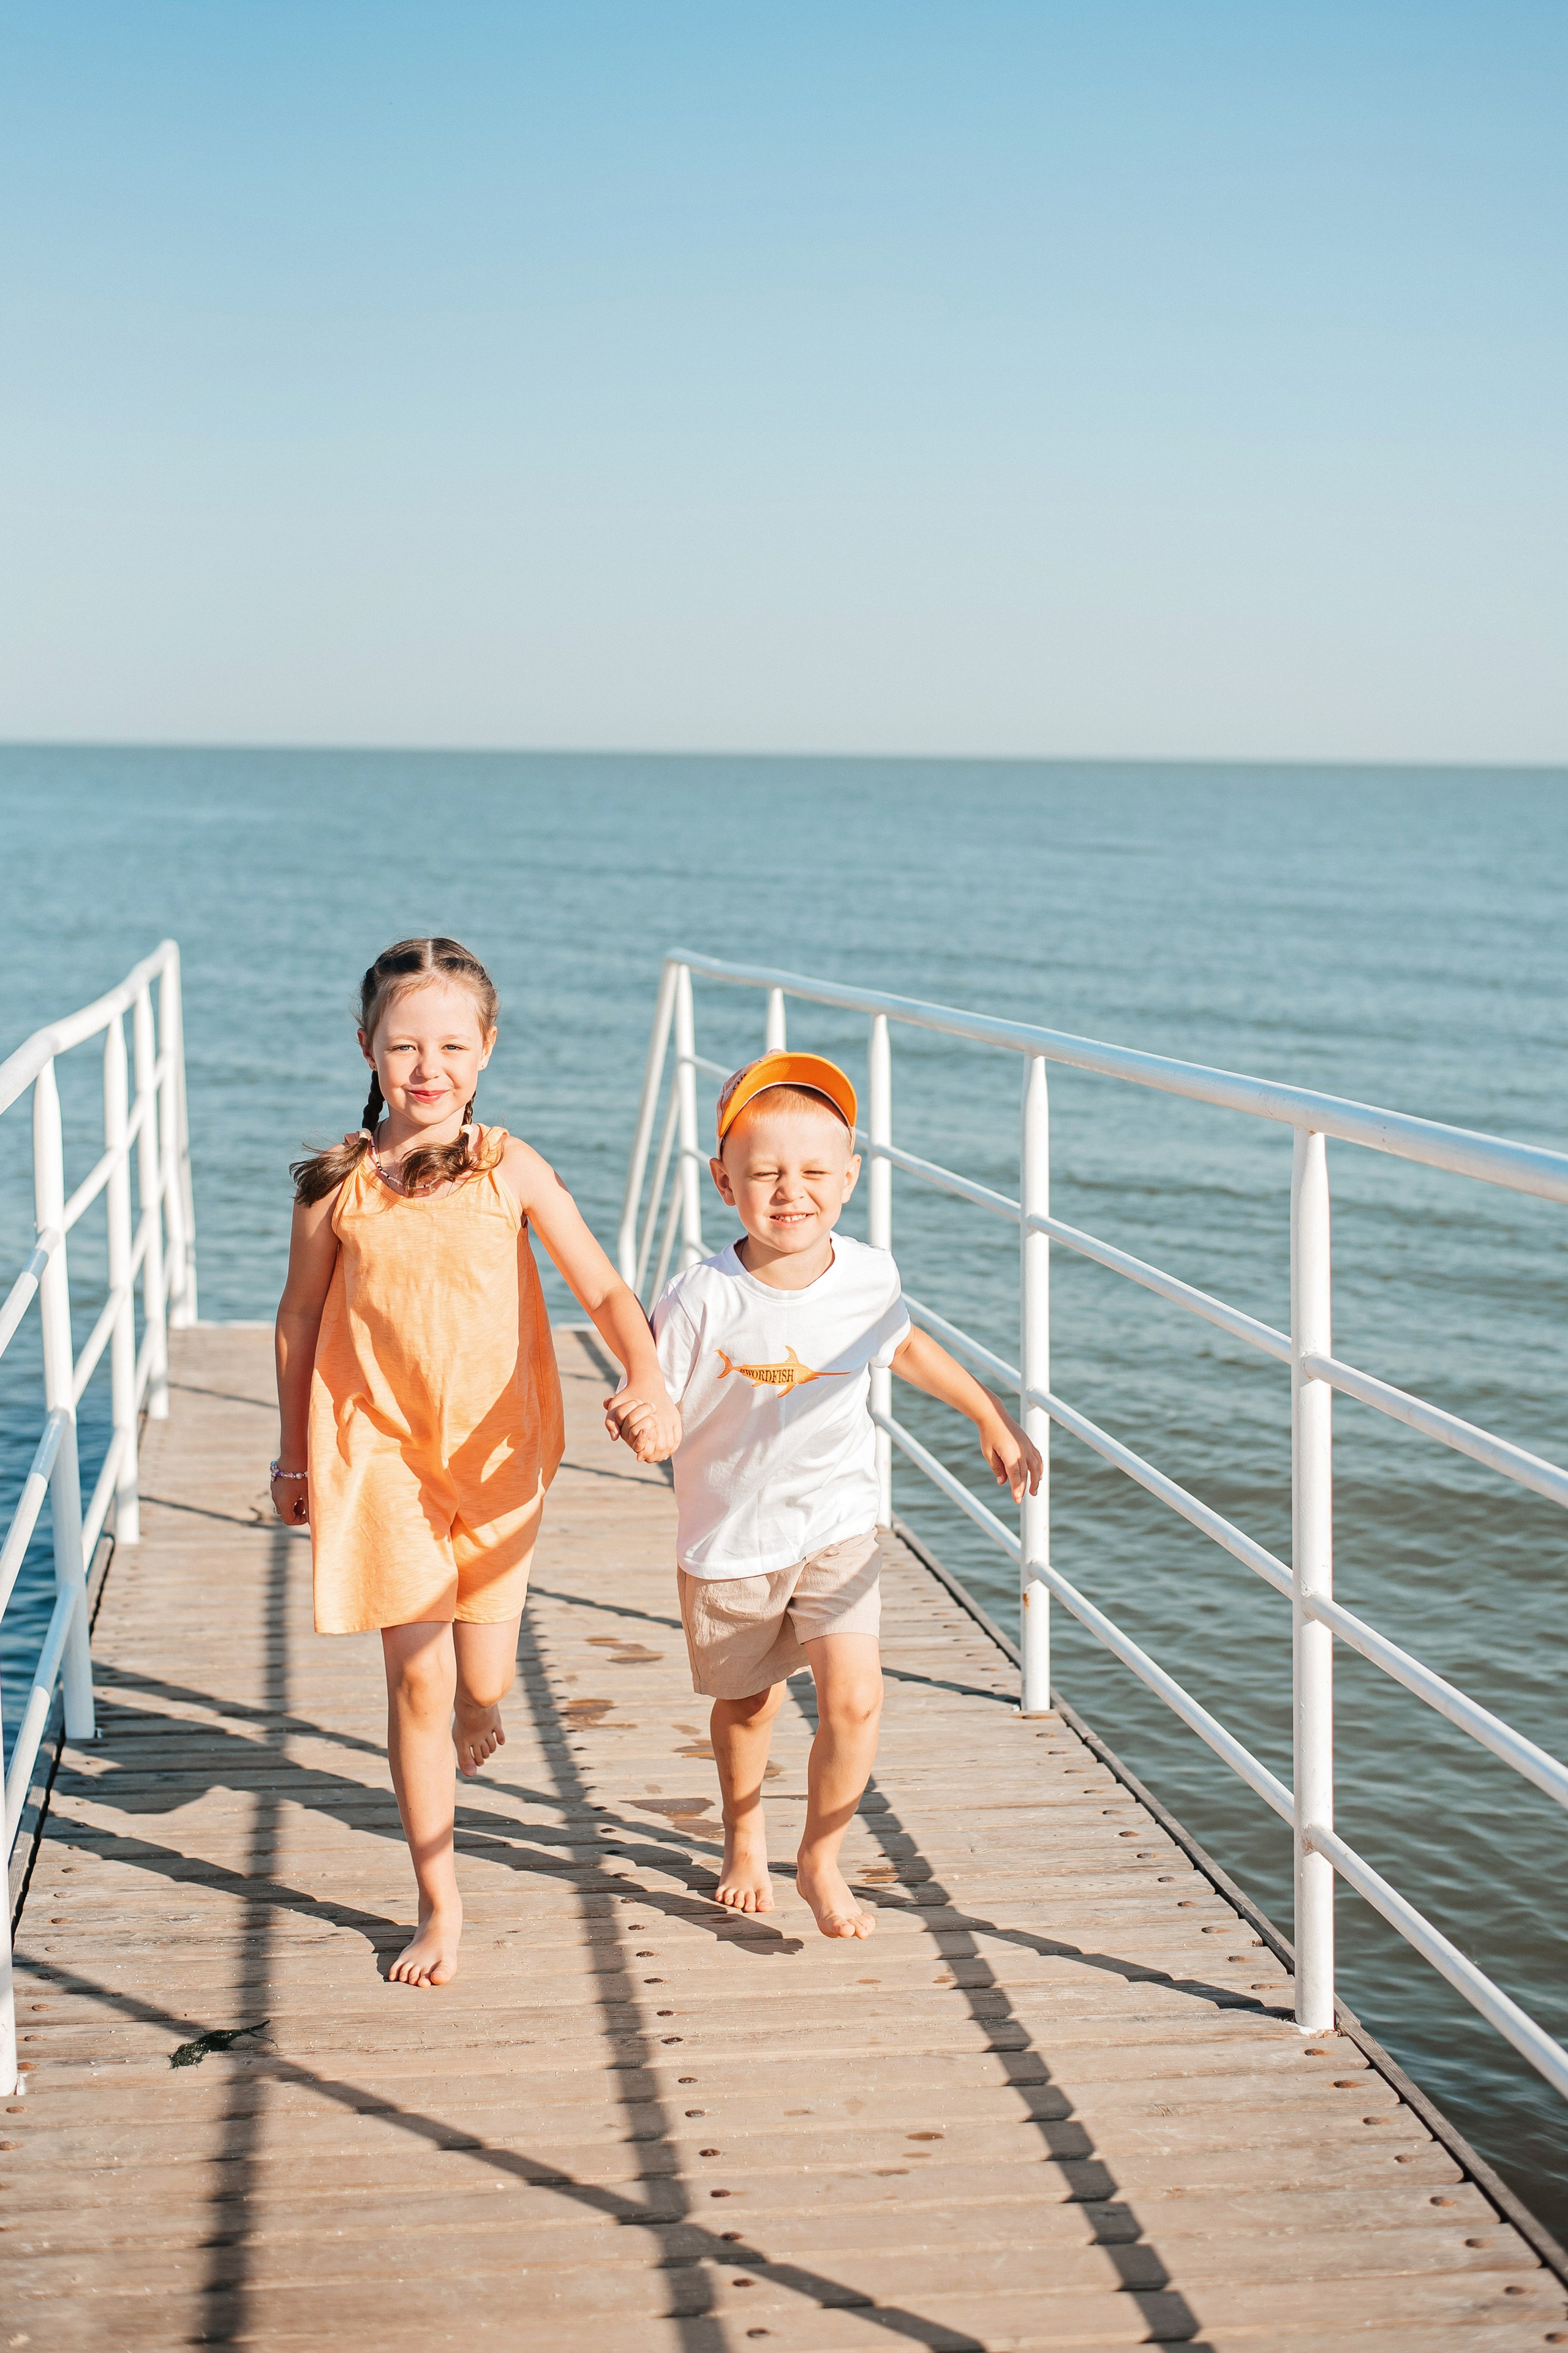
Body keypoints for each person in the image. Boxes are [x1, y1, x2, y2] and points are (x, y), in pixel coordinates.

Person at [272, 936, 680, 1989]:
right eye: (404, 1044)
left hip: (499, 1458)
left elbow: (600, 1287)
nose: (427, 1067)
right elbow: (300, 1321)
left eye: (452, 1043)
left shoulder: (511, 1166)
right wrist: (292, 1455)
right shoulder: (338, 1188)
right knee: (416, 1673)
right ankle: (438, 1902)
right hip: (380, 1456)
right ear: (365, 1046)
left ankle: (480, 1702)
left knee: (479, 1675)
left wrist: (646, 1374)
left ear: (487, 1048)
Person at [628, 1049, 1041, 1941]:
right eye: (766, 1172)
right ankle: (744, 1833)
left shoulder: (867, 1274)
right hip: (731, 1539)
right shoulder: (701, 1298)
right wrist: (642, 1421)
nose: (792, 1191)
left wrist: (987, 1412)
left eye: (815, 1171)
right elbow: (647, 1392)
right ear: (723, 1180)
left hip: (838, 1522)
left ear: (849, 1178)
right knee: (748, 1705)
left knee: (854, 1697)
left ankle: (820, 1852)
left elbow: (904, 1345)